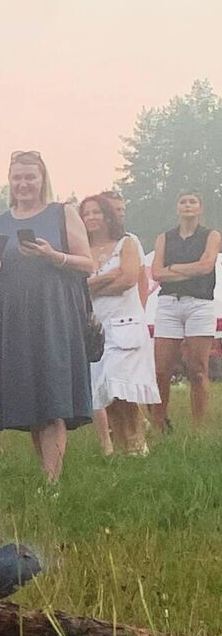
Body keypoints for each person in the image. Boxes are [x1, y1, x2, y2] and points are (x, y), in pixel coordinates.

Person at [0, 151, 93, 482]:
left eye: (30, 176)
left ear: (42, 178)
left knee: (53, 394)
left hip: (55, 312)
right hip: (15, 316)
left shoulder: (63, 213)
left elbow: (88, 264)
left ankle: (52, 484)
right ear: (9, 180)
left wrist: (53, 255)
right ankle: (48, 476)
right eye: (17, 177)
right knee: (30, 399)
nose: (23, 183)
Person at [80, 193, 157, 457]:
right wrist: (107, 278)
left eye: (96, 212)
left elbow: (128, 279)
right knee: (106, 391)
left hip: (126, 325)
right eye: (86, 213)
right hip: (96, 329)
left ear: (107, 215)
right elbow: (77, 287)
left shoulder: (126, 242)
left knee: (124, 387)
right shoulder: (81, 249)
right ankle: (123, 448)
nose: (91, 217)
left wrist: (92, 285)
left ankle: (138, 444)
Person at [150, 192, 220, 431]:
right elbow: (156, 273)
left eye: (192, 201)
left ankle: (198, 429)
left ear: (200, 208)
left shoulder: (211, 235)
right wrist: (190, 269)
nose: (187, 205)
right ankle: (159, 424)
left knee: (198, 369)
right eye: (183, 201)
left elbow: (206, 266)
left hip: (199, 304)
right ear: (177, 208)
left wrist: (173, 268)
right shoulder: (164, 238)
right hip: (169, 304)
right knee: (161, 370)